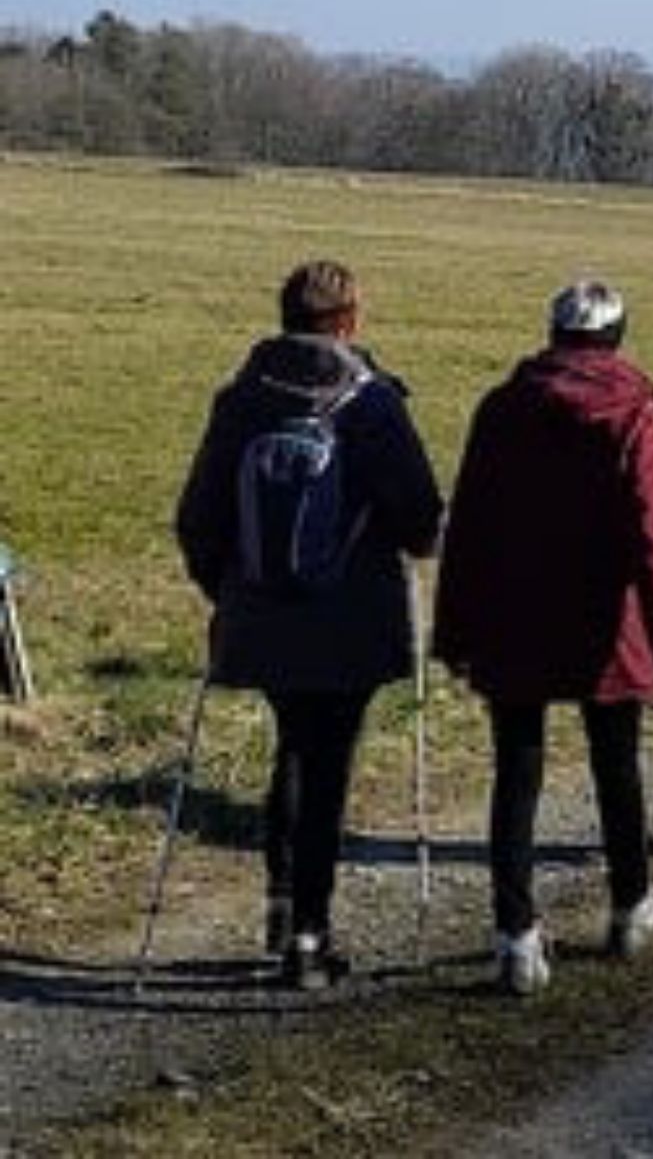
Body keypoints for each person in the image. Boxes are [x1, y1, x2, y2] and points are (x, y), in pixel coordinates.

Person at [175, 259, 444, 989]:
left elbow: (197, 519)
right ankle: (308, 936)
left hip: (260, 614)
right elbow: (421, 519)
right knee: (327, 765)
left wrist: (232, 592)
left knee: (292, 746)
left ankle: (281, 904)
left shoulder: (240, 399)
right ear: (350, 321)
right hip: (350, 620)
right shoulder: (372, 402)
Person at [433, 279, 653, 996]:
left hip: (512, 613)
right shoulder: (636, 410)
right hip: (606, 620)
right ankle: (629, 906)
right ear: (617, 335)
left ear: (552, 333)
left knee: (516, 771)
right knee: (617, 764)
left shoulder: (502, 406)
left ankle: (515, 936)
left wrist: (453, 631)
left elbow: (470, 524)